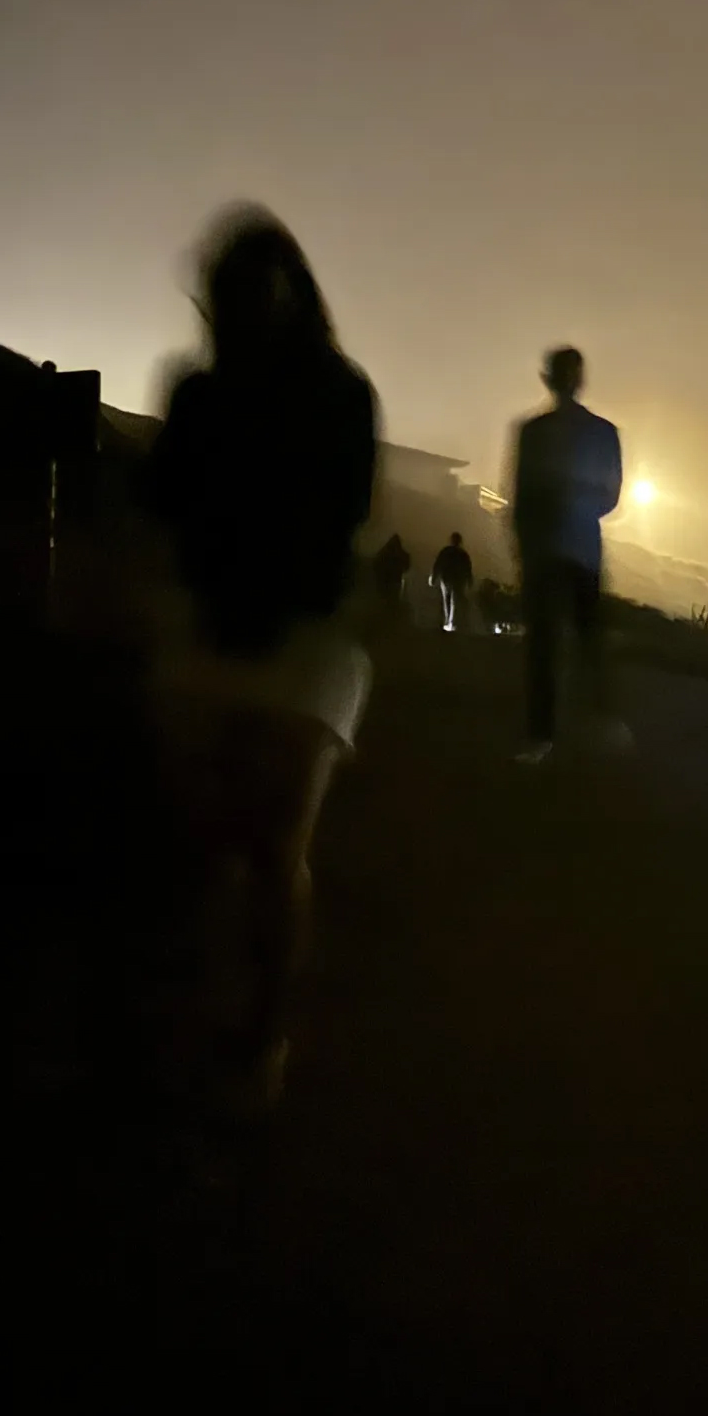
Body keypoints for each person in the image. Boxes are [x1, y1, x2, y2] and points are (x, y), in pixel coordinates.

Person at [147, 204, 378, 1113]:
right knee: (215, 843)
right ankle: (213, 1024)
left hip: (299, 640)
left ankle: (259, 1040)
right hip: (218, 628)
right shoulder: (199, 395)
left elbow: (335, 519)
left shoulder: (334, 394)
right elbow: (168, 502)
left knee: (273, 842)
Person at [509, 347, 623, 762]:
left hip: (569, 547)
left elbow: (610, 494)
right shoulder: (547, 432)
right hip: (560, 547)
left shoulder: (545, 432)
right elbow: (521, 494)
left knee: (580, 638)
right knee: (554, 642)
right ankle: (550, 731)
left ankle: (581, 725)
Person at [430, 531, 473, 633]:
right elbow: (468, 568)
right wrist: (469, 580)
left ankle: (447, 622)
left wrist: (434, 577)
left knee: (447, 600)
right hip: (458, 580)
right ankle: (452, 623)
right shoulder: (463, 554)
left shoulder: (446, 551)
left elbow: (438, 564)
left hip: (446, 579)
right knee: (455, 601)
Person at [372, 533, 411, 618]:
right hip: (395, 579)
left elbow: (375, 564)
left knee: (384, 597)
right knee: (393, 598)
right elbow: (407, 566)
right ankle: (391, 615)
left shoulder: (383, 553)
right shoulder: (400, 553)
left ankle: (385, 615)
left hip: (385, 579)